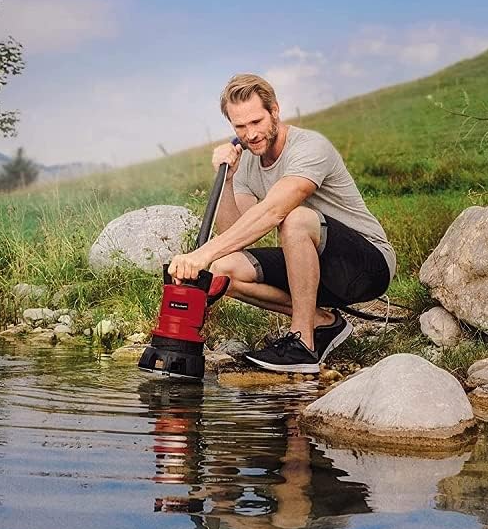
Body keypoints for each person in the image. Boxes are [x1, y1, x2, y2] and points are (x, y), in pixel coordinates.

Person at [168, 74, 396, 374]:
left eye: (256, 121)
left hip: (365, 267)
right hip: (309, 270)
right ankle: (322, 322)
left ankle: (303, 344)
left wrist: (201, 254)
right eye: (240, 126)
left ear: (274, 110)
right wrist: (228, 178)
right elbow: (236, 231)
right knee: (222, 269)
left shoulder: (310, 147)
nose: (250, 134)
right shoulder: (248, 162)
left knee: (295, 217)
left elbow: (275, 211)